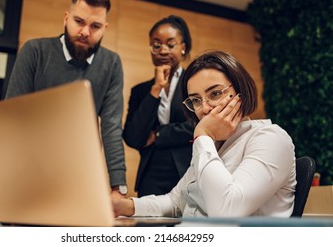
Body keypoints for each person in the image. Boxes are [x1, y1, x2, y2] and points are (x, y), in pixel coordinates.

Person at [113, 50, 296, 217]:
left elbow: (227, 211)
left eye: (215, 93)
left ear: (241, 90)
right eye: (196, 100)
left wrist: (203, 136)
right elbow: (176, 201)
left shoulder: (269, 138)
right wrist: (125, 206)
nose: (205, 109)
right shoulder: (211, 146)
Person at [5, 0, 127, 198]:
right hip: (29, 170)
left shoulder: (112, 64)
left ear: (105, 28)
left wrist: (118, 187)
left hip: (79, 174)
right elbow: (12, 115)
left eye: (95, 26)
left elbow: (111, 127)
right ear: (66, 18)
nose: (85, 32)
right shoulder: (34, 51)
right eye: (79, 21)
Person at [123, 15, 194, 197]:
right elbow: (132, 137)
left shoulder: (194, 83)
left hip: (188, 171)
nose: (163, 50)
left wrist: (158, 135)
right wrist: (155, 90)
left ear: (183, 48)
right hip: (150, 175)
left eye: (170, 45)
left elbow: (199, 124)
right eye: (156, 45)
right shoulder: (140, 91)